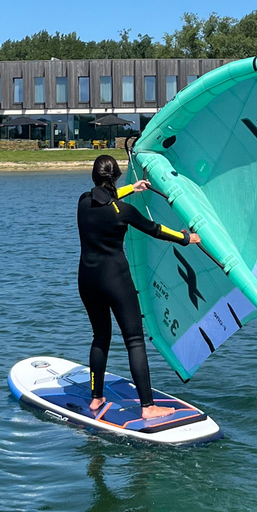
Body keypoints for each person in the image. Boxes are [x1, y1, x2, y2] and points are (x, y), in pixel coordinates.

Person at [77, 155, 201, 420]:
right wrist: (185, 238)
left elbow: (103, 197)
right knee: (134, 341)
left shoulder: (83, 203)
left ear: (94, 177)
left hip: (87, 281)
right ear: (117, 177)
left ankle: (96, 398)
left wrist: (131, 189)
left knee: (100, 337)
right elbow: (155, 229)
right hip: (115, 281)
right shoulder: (124, 212)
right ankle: (148, 407)